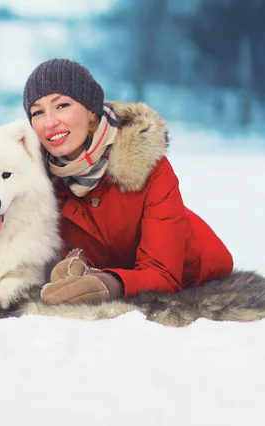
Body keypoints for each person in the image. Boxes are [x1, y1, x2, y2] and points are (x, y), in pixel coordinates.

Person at [22, 59, 233, 305]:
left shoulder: (148, 166)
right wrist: (73, 265)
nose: (50, 122)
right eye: (38, 112)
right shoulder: (38, 182)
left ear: (91, 114)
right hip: (121, 268)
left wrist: (109, 284)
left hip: (195, 266)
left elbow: (163, 274)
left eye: (62, 105)